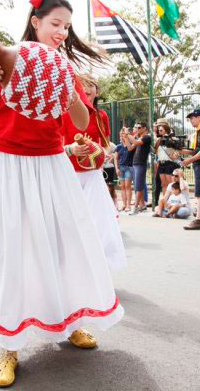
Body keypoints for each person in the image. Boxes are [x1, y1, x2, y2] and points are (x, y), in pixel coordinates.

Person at [0, 0, 123, 388]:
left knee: (65, 243)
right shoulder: (9, 57)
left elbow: (78, 119)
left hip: (51, 162)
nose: (61, 32)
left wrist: (67, 90)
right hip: (4, 161)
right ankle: (8, 347)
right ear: (36, 22)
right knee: (11, 251)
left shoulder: (63, 69)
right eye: (55, 23)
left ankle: (71, 321)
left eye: (67, 26)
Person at [62, 73, 126, 270]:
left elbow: (106, 144)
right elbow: (55, 146)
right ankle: (72, 267)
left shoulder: (101, 115)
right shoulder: (64, 113)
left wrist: (101, 152)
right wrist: (71, 149)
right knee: (70, 224)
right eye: (82, 87)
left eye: (91, 88)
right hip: (68, 176)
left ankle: (100, 267)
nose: (87, 92)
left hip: (93, 177)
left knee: (100, 223)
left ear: (97, 92)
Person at [181, 109, 200, 230]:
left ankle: (199, 219)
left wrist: (190, 160)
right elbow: (195, 150)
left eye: (192, 118)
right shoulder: (198, 131)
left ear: (199, 117)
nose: (190, 120)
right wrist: (179, 150)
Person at [153, 121, 181, 208]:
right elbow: (155, 151)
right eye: (159, 130)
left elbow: (178, 150)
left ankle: (172, 202)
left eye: (161, 130)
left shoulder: (172, 139)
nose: (159, 132)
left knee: (170, 184)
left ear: (166, 130)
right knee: (164, 184)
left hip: (169, 163)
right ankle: (165, 202)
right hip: (161, 163)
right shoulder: (158, 140)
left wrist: (175, 154)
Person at [125, 122, 151, 214]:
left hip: (141, 163)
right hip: (135, 163)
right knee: (138, 186)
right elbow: (130, 148)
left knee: (138, 186)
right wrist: (126, 137)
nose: (137, 129)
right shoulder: (138, 138)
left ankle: (135, 208)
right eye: (136, 127)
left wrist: (128, 134)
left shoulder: (146, 137)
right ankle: (142, 205)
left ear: (144, 128)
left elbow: (135, 142)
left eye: (139, 127)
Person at [115, 127, 135, 212]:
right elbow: (116, 158)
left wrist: (126, 136)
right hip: (121, 167)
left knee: (128, 186)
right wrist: (117, 169)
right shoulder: (118, 146)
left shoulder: (131, 144)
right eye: (121, 135)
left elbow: (130, 148)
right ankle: (124, 204)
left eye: (123, 135)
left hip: (128, 167)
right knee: (122, 187)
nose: (122, 136)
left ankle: (128, 205)